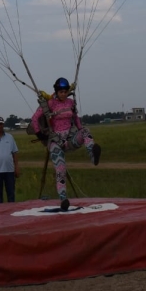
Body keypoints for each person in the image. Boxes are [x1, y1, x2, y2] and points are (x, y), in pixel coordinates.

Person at [31, 77, 102, 211]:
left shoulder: (71, 103)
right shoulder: (50, 104)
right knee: (61, 169)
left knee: (86, 132)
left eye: (65, 91)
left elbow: (75, 118)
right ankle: (63, 198)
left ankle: (93, 156)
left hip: (69, 139)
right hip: (55, 142)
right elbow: (35, 118)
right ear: (56, 92)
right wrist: (40, 134)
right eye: (61, 91)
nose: (63, 94)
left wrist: (80, 131)